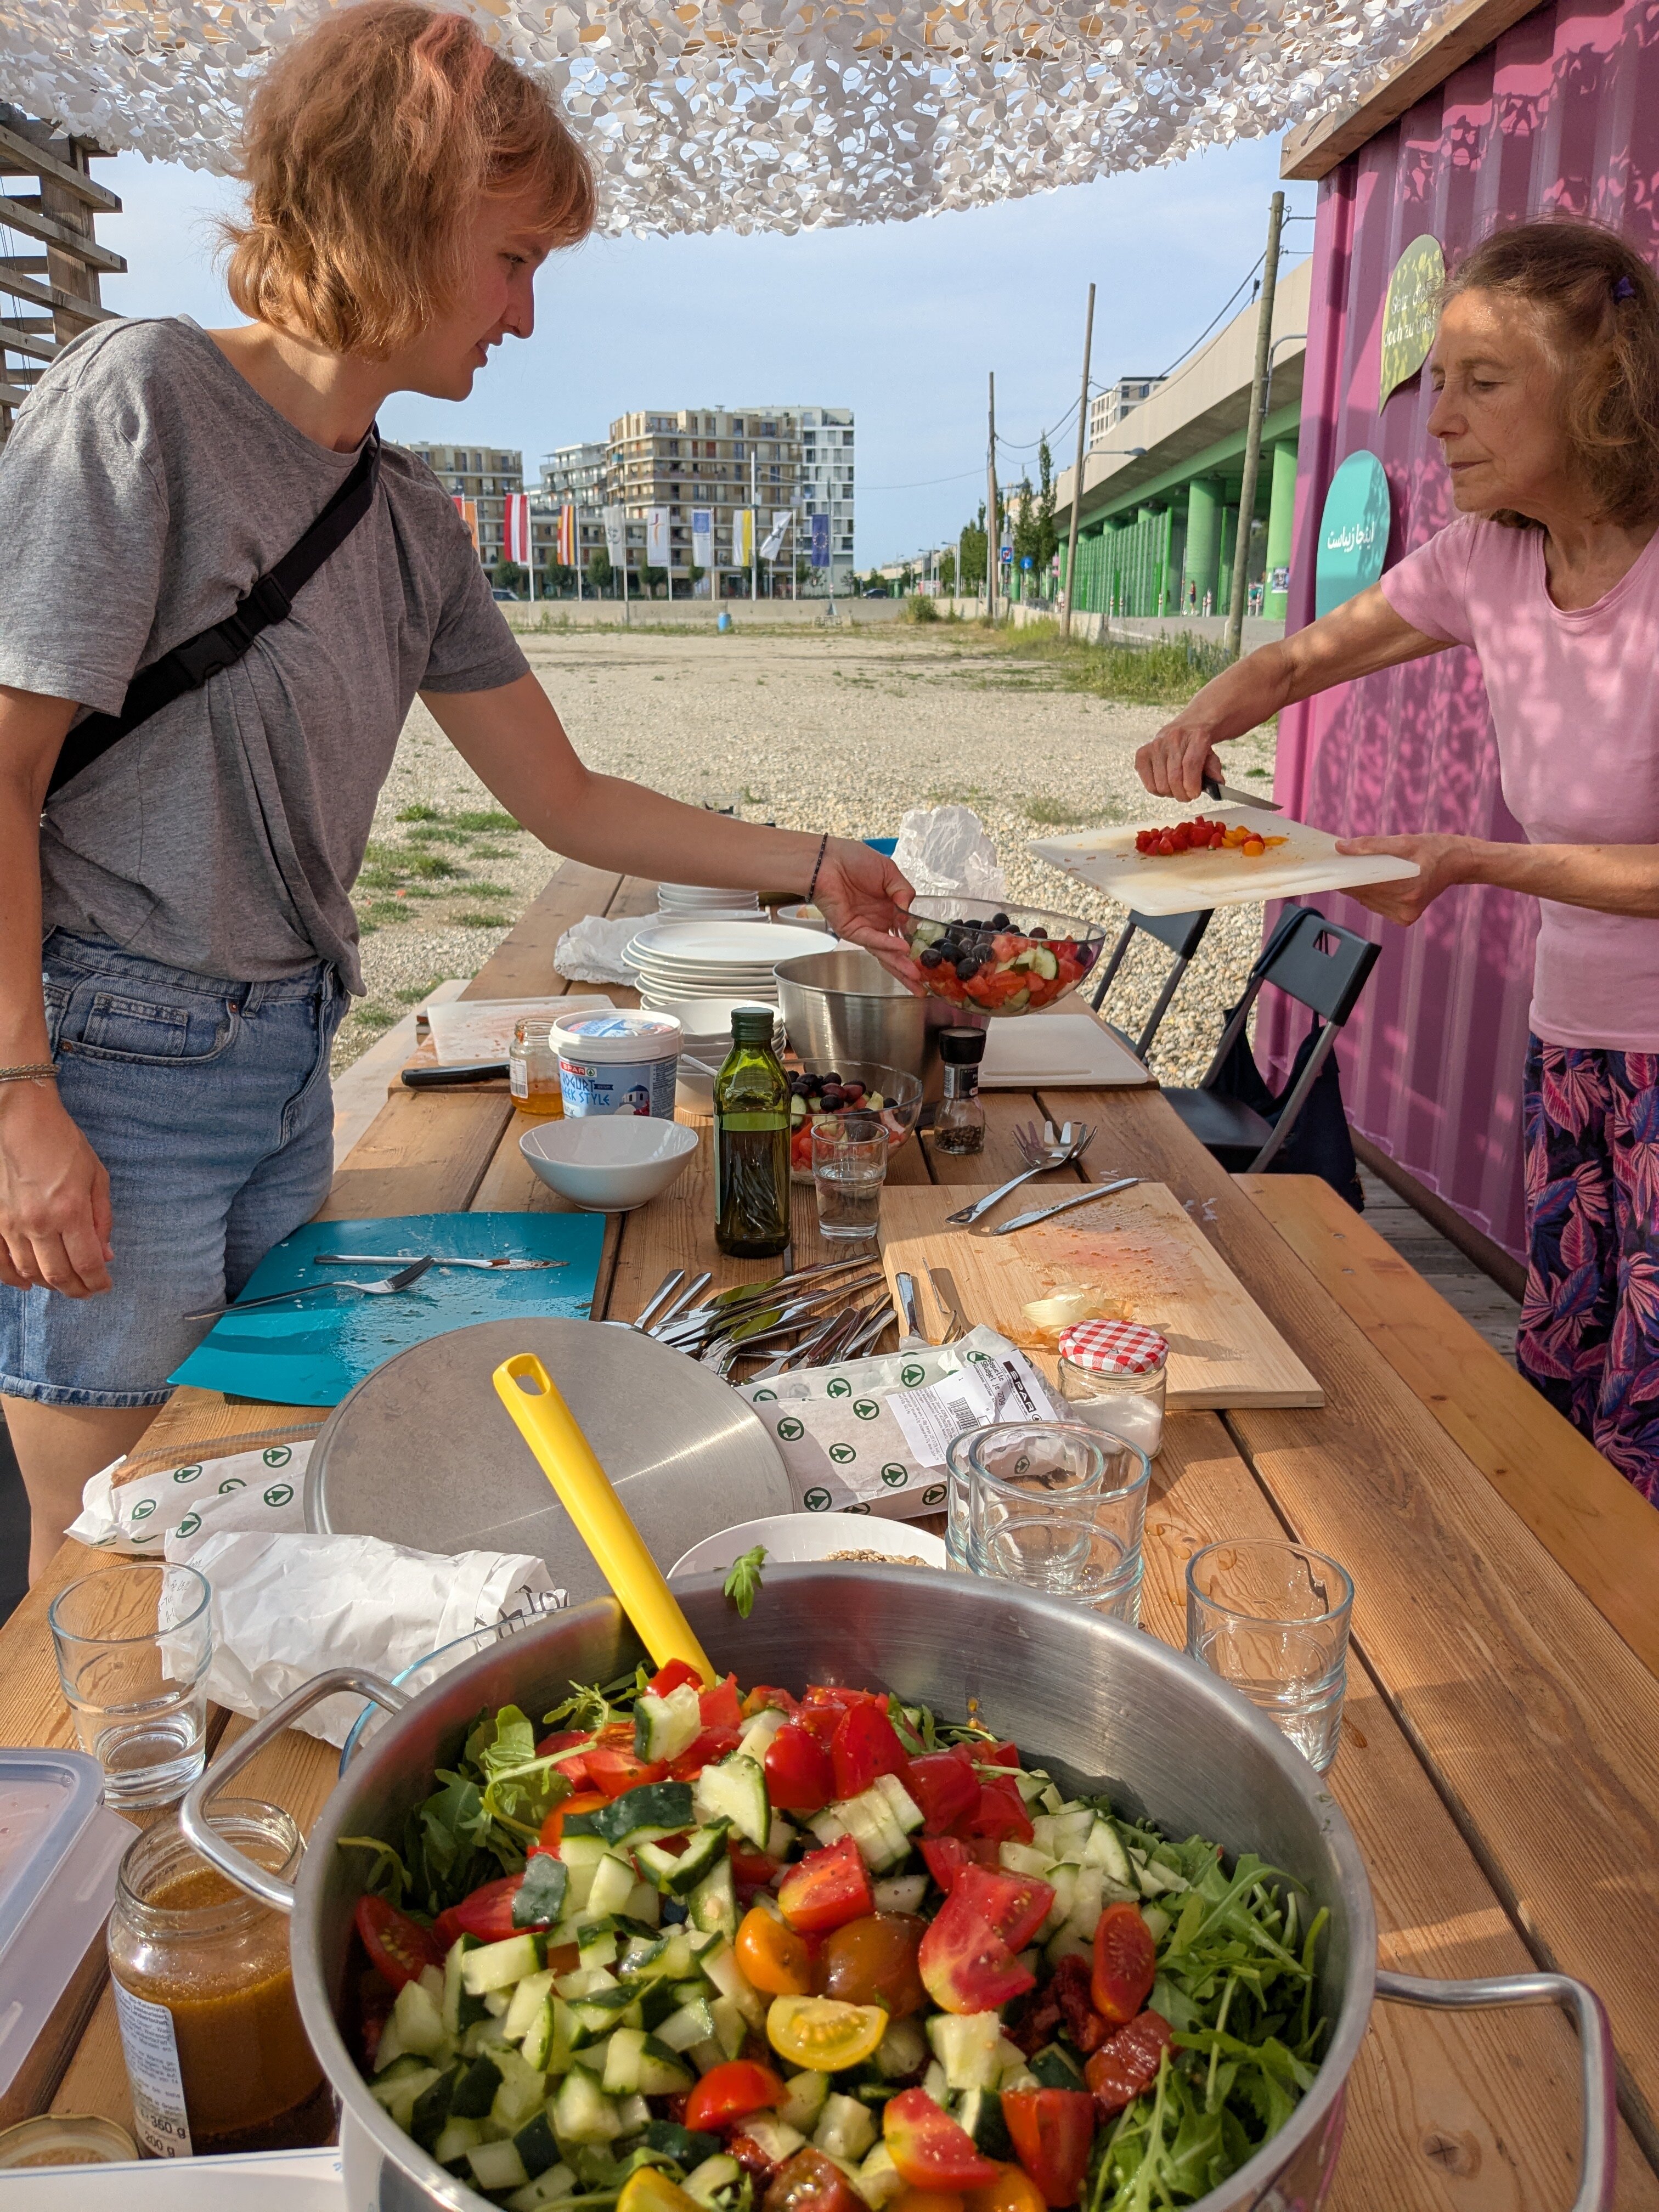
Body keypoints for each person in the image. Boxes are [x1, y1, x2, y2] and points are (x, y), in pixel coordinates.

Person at [0, 0, 915, 1579]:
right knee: (108, 1558)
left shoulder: (410, 520)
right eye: (517, 262)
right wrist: (17, 1100)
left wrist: (820, 855)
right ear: (400, 210)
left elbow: (562, 798)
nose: (529, 317)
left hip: (287, 1050)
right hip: (105, 1063)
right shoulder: (141, 401)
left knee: (250, 1509)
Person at [1137, 217, 1659, 1502]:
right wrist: (1204, 715)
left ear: (1607, 386)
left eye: (1486, 383)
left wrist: (1478, 863)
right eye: (1439, 383)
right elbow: (1307, 656)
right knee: (1561, 1383)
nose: (1442, 422)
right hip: (1576, 1041)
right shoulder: (1493, 556)